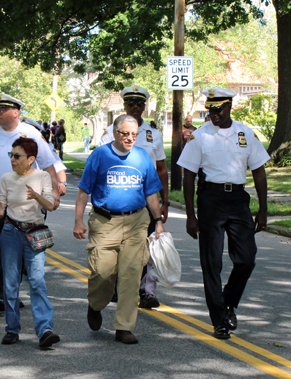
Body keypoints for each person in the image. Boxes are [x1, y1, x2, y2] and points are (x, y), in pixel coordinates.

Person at [177, 88, 270, 339]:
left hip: (239, 199)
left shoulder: (245, 133)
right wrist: (190, 215)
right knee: (212, 262)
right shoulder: (200, 136)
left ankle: (228, 302)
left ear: (229, 107)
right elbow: (188, 175)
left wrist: (263, 209)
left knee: (246, 259)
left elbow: (259, 171)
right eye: (210, 109)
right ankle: (219, 319)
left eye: (218, 109)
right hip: (211, 200)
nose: (214, 114)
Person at [73, 115, 165, 345]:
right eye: (125, 134)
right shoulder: (100, 155)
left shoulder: (142, 156)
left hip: (136, 221)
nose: (130, 138)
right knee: (102, 273)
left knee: (131, 276)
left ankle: (124, 327)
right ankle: (95, 305)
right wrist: (78, 220)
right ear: (114, 132)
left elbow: (151, 193)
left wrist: (159, 220)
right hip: (105, 222)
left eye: (134, 134)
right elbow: (84, 191)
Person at [0, 93, 59, 313]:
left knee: (25, 244)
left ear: (16, 112)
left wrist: (54, 192)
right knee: (0, 244)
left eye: (3, 109)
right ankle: (0, 295)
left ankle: (13, 290)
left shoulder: (31, 134)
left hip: (29, 197)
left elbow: (48, 164)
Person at [0, 137, 60, 348]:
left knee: (37, 281)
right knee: (11, 283)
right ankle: (12, 329)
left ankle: (45, 330)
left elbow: (50, 206)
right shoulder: (6, 178)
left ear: (30, 159)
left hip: (34, 232)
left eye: (17, 156)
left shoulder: (42, 177)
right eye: (11, 155)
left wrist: (36, 196)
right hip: (11, 231)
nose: (12, 160)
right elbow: (2, 204)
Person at [119, 85, 169, 309]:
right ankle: (119, 284)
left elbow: (161, 169)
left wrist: (165, 201)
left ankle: (147, 290)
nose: (136, 107)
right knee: (122, 245)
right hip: (120, 197)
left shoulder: (153, 133)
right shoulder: (113, 132)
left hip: (148, 198)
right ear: (124, 105)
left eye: (140, 103)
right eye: (131, 103)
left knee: (149, 244)